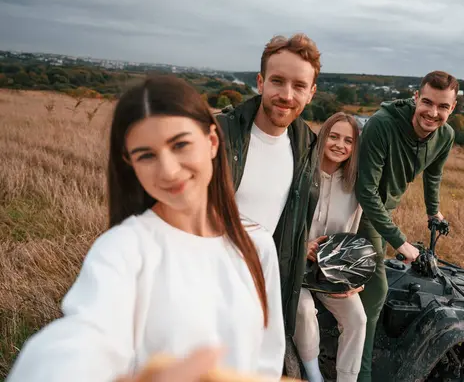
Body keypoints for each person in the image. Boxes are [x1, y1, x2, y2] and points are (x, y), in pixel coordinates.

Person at [6, 75, 285, 382]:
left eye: (180, 145)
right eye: (146, 155)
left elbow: (268, 357)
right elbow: (85, 336)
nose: (168, 170)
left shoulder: (257, 244)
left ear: (212, 142)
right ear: (130, 164)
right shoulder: (123, 248)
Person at [217, 33, 322, 374]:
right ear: (260, 82)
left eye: (299, 85)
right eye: (277, 81)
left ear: (311, 93)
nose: (286, 95)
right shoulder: (218, 134)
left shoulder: (307, 144)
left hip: (262, 292)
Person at [354, 70, 458, 382]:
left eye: (443, 106)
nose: (433, 112)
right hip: (359, 208)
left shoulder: (446, 136)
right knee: (376, 291)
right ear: (416, 97)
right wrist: (401, 243)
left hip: (382, 210)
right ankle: (362, 373)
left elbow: (433, 174)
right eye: (427, 102)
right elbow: (365, 192)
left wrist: (433, 212)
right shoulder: (382, 124)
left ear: (452, 108)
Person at [292, 112, 366, 382]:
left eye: (348, 140)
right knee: (302, 310)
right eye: (333, 136)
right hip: (295, 263)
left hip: (331, 271)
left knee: (357, 319)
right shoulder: (300, 173)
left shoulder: (355, 185)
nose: (339, 145)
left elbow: (352, 234)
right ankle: (314, 376)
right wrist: (302, 247)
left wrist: (354, 275)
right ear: (322, 137)